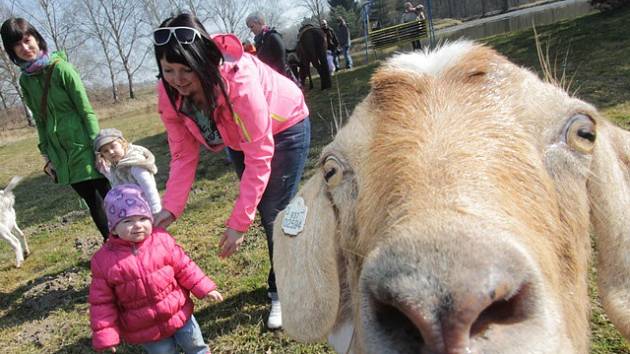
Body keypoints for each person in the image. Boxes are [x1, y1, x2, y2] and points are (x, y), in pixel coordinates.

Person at [152, 13, 311, 330]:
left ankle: (282, 290)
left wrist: (239, 223)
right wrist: (171, 207)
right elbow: (183, 155)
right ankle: (297, 251)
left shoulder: (238, 83)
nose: (178, 79)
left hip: (286, 125)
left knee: (270, 212)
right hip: (240, 140)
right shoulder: (170, 95)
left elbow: (260, 154)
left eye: (186, 69)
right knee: (264, 204)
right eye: (168, 70)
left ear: (204, 60)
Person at [1, 17, 111, 241]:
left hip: (84, 145)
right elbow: (40, 120)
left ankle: (131, 241)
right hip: (61, 154)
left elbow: (86, 110)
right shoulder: (25, 81)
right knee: (92, 201)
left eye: (27, 40)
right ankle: (114, 248)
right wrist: (47, 155)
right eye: (17, 45)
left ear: (36, 39)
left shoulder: (62, 69)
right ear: (11, 51)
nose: (25, 48)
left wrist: (98, 146)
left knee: (107, 197)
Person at [89, 184, 223, 353]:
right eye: (128, 221)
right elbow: (101, 302)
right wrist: (106, 335)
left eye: (143, 219)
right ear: (114, 228)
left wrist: (205, 288)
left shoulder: (161, 240)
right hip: (145, 327)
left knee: (195, 345)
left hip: (178, 312)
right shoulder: (103, 261)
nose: (137, 225)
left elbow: (184, 266)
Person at [93, 128, 162, 214]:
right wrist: (105, 171)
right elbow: (117, 181)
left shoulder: (135, 164)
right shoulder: (116, 166)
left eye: (113, 146)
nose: (111, 152)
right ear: (102, 155)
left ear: (123, 143)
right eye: (105, 151)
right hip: (132, 208)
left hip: (147, 206)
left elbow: (148, 186)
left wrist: (155, 208)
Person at [245, 12, 297, 83]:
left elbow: (282, 64)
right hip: (270, 81)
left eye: (252, 26)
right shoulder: (259, 42)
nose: (251, 30)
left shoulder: (273, 36)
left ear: (259, 22)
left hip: (284, 81)